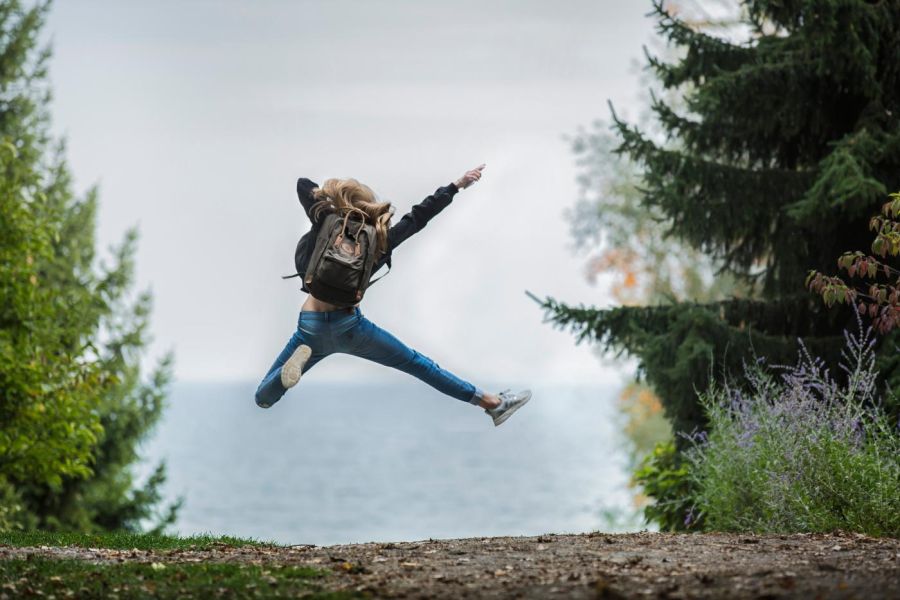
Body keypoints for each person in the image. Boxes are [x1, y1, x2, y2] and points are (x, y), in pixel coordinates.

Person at [254, 163, 531, 426]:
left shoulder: (326, 221)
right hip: (350, 327)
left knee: (263, 398)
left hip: (310, 327)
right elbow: (418, 217)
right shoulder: (379, 239)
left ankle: (285, 377)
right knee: (419, 365)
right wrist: (456, 186)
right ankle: (493, 404)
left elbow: (304, 185)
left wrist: (332, 201)